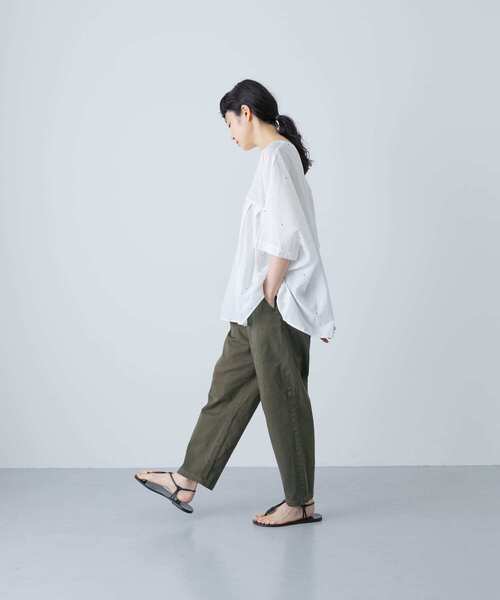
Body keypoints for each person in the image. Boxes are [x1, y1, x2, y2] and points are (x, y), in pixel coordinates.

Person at [135, 79, 336, 527]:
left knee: (284, 399)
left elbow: (287, 232)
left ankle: (300, 501)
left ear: (246, 113)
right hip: (253, 304)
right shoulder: (278, 156)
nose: (230, 133)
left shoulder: (277, 155)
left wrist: (271, 289)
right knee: (226, 387)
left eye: (229, 122)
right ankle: (186, 479)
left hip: (272, 304)